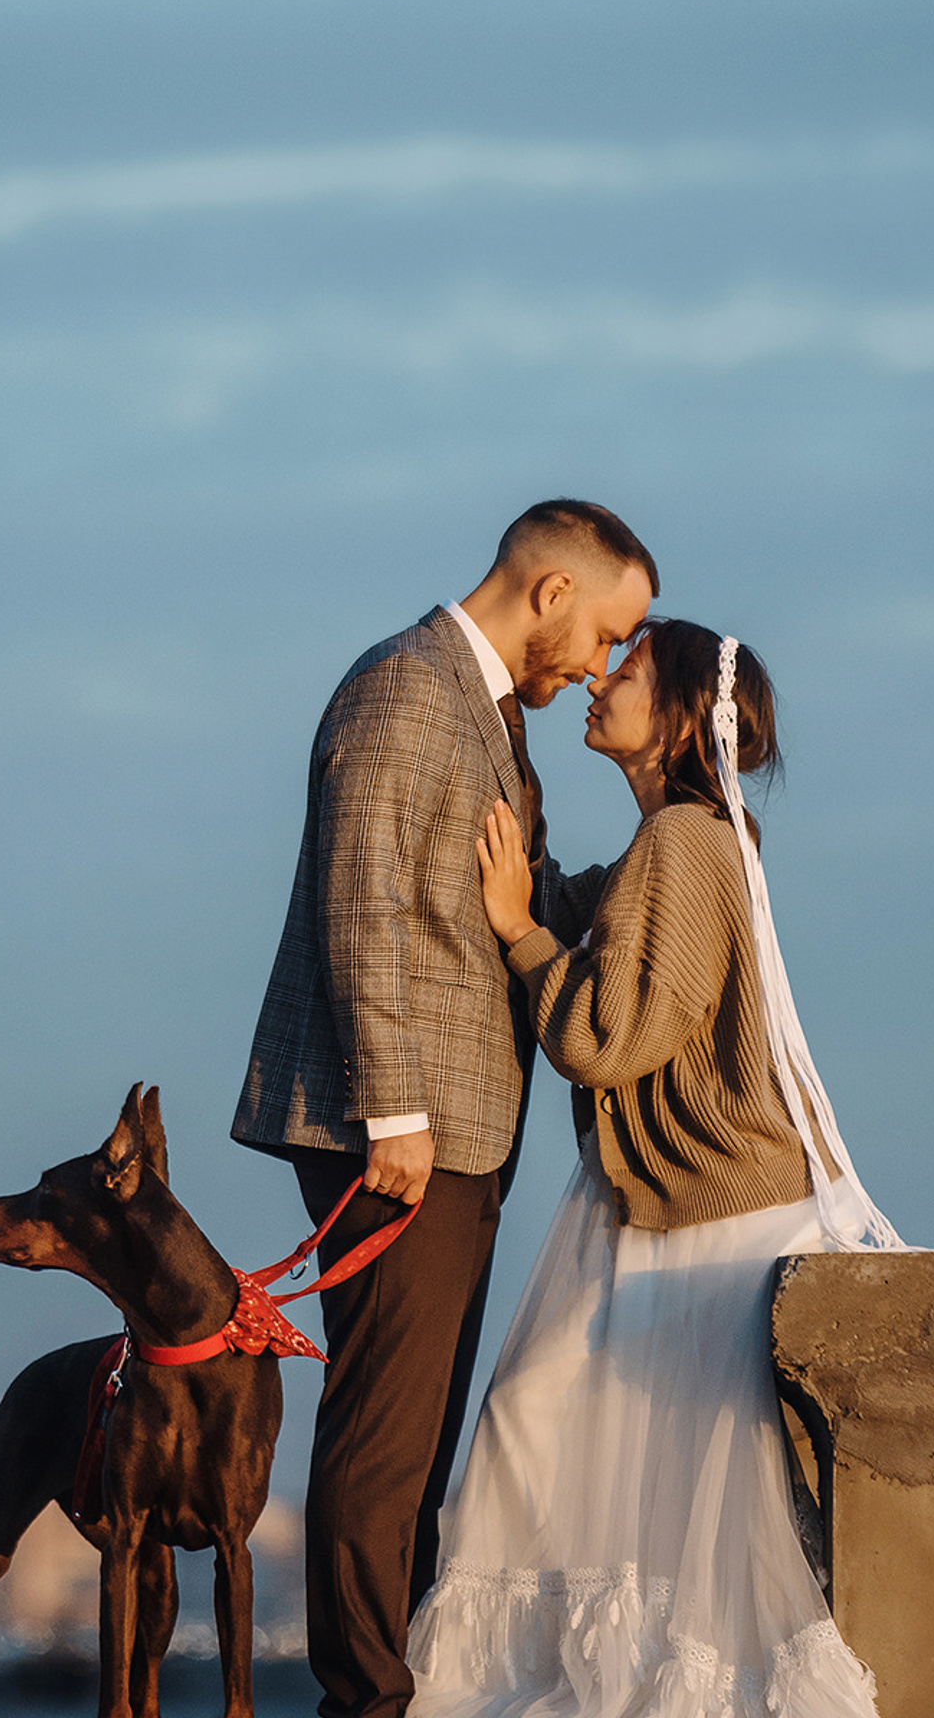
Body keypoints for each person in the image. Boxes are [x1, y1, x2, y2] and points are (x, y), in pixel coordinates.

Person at [405, 619, 905, 1718]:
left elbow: (607, 1032)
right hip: (694, 1207)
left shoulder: (686, 841)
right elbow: (614, 925)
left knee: (532, 1437)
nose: (596, 680)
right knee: (645, 1497)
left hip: (707, 1216)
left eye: (622, 671)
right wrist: (536, 893)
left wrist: (512, 928)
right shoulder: (686, 843)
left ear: (678, 717)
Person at [231, 500, 659, 1718]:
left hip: (455, 1139)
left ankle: (390, 1687)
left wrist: (670, 837)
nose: (598, 668)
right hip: (404, 1137)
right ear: (552, 594)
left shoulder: (477, 714)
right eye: (603, 636)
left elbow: (512, 901)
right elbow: (361, 904)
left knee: (409, 1447)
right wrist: (394, 1116)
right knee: (381, 1442)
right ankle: (364, 1703)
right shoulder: (403, 691)